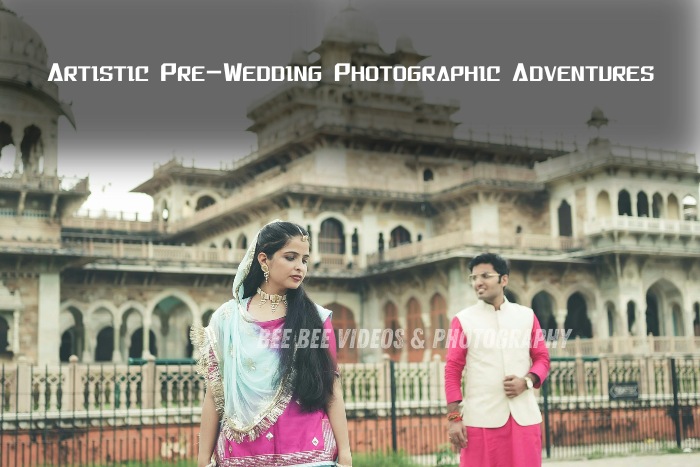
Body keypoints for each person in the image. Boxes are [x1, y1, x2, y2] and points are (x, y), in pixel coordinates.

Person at [191, 220, 352, 467]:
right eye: (290, 257)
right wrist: (203, 459)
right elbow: (214, 396)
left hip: (308, 455)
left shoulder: (315, 319)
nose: (300, 267)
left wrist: (346, 455)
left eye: (304, 260)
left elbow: (331, 389)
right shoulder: (227, 319)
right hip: (242, 455)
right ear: (264, 260)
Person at [444, 252, 550, 467]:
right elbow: (452, 369)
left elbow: (542, 359)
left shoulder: (526, 316)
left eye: (485, 276)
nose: (478, 283)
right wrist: (454, 418)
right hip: (481, 421)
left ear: (504, 279)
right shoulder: (463, 320)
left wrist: (527, 381)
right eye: (473, 278)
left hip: (524, 419)